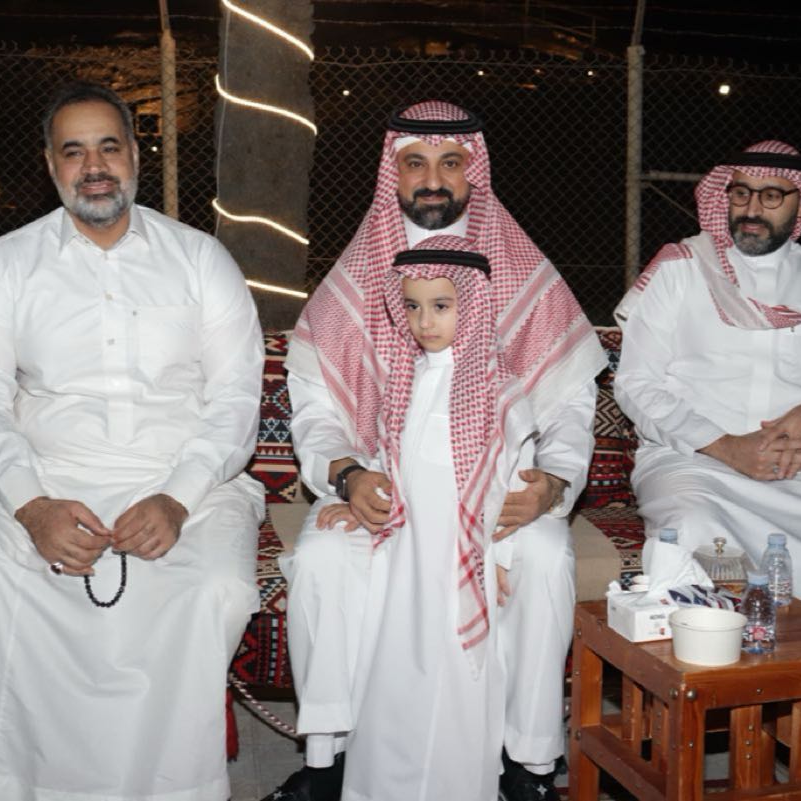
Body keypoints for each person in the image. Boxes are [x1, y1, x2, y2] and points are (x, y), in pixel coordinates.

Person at [0, 82, 264, 800]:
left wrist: (177, 499)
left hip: (188, 481)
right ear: (49, 164)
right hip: (46, 477)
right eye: (74, 151)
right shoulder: (4, 264)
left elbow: (238, 401)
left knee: (216, 588)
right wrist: (30, 506)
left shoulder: (200, 258)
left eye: (109, 147)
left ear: (135, 155)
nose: (94, 167)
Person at [269, 101, 607, 801]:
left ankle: (526, 763)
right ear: (391, 173)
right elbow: (316, 406)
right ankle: (328, 761)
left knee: (546, 557)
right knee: (324, 557)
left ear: (472, 171)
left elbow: (570, 404)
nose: (432, 179)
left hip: (497, 492)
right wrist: (346, 475)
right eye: (415, 163)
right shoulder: (359, 275)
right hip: (384, 490)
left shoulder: (520, 269)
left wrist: (552, 483)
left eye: (450, 162)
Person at [613, 139, 801, 639]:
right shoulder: (680, 270)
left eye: (772, 196)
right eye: (741, 193)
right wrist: (726, 447)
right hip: (695, 460)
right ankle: (727, 681)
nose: (752, 210)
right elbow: (636, 383)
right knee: (698, 536)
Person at [325, 236, 541, 799]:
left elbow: (515, 480)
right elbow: (393, 463)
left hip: (461, 557)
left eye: (441, 306)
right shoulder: (407, 378)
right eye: (413, 306)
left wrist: (502, 556)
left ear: (472, 305)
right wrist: (360, 506)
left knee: (453, 680)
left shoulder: (498, 391)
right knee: (394, 674)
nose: (424, 321)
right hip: (407, 557)